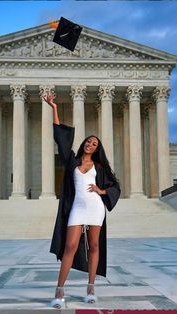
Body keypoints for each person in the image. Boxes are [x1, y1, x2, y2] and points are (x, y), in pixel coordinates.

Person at [43, 93, 121, 309]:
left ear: (97, 149)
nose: (90, 144)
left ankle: (91, 287)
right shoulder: (72, 162)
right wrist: (54, 108)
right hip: (77, 208)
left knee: (94, 246)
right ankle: (59, 291)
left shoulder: (100, 168)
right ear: (84, 144)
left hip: (95, 208)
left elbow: (115, 187)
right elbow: (60, 138)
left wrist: (101, 191)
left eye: (94, 143)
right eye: (88, 141)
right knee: (70, 246)